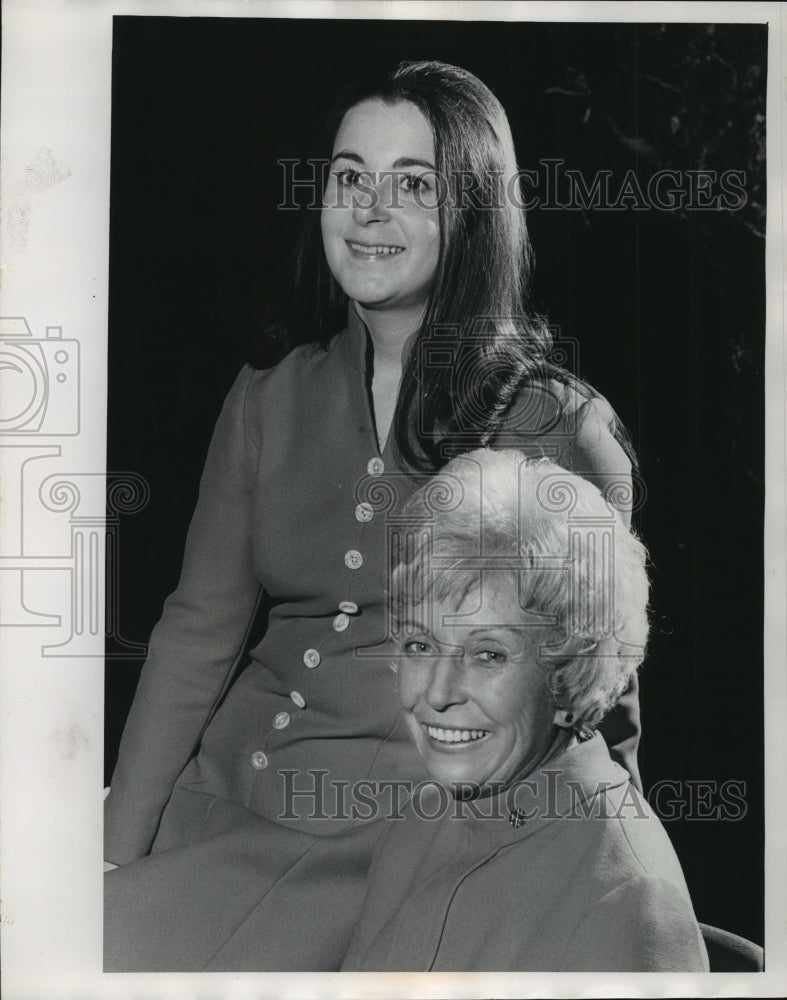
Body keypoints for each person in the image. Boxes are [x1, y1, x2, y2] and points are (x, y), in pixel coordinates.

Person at [104, 60, 640, 971]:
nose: (367, 208)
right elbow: (196, 633)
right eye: (349, 177)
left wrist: (619, 888)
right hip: (219, 799)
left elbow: (601, 697)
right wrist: (116, 839)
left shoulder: (558, 426)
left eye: (412, 186)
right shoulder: (268, 396)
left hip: (394, 851)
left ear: (471, 213)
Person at [342, 449, 708, 972]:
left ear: (569, 674)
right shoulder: (419, 821)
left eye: (488, 654)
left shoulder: (632, 899)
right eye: (421, 646)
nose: (437, 694)